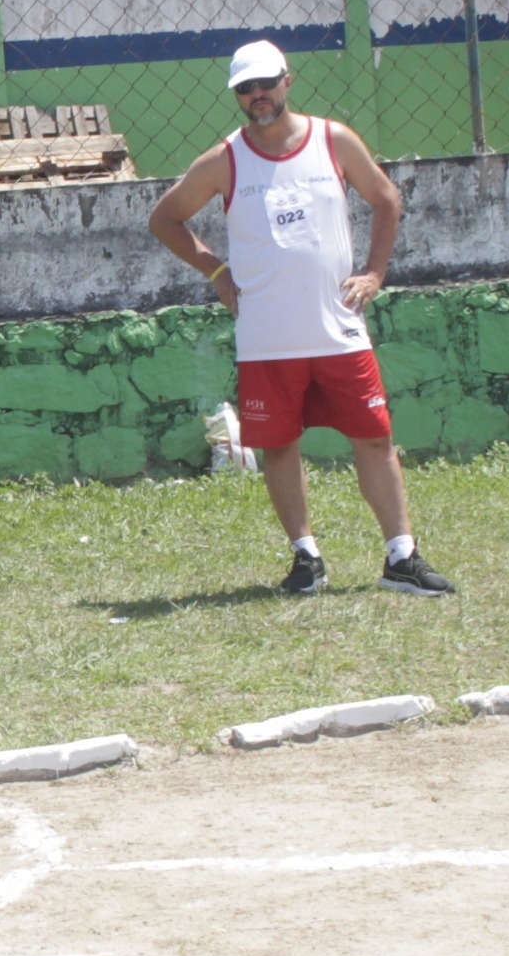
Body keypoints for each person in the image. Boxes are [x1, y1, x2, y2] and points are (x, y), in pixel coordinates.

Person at [149, 40, 455, 597]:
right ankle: (306, 558)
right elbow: (165, 218)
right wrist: (217, 272)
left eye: (266, 83)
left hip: (338, 330)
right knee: (280, 445)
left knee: (374, 438)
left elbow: (386, 199)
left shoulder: (332, 139)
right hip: (267, 339)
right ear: (237, 94)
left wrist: (375, 273)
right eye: (245, 88)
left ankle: (401, 557)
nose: (257, 95)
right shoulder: (225, 159)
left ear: (287, 81)